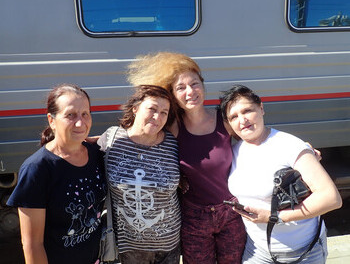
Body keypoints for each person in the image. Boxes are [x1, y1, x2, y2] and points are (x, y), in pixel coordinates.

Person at [127, 52, 247, 264]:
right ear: (173, 94)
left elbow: (258, 138)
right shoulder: (173, 127)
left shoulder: (225, 120)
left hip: (230, 213)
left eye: (194, 83)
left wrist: (298, 151)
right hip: (194, 218)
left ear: (203, 85)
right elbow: (138, 136)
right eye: (181, 87)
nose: (190, 92)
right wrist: (92, 142)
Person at [219, 84, 343, 264]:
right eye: (234, 116)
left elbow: (331, 198)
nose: (242, 119)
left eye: (247, 110)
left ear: (261, 108)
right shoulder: (233, 152)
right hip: (257, 253)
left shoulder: (289, 146)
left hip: (304, 253)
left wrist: (274, 217)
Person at [7, 84, 106, 264]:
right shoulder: (37, 169)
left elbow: (125, 138)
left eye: (85, 114)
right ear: (51, 120)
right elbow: (32, 244)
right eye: (70, 115)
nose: (80, 122)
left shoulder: (96, 153)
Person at [97, 85, 181, 264]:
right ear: (135, 108)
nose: (157, 117)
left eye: (164, 112)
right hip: (129, 248)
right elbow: (80, 152)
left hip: (169, 246)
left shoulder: (173, 143)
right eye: (152, 109)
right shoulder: (112, 139)